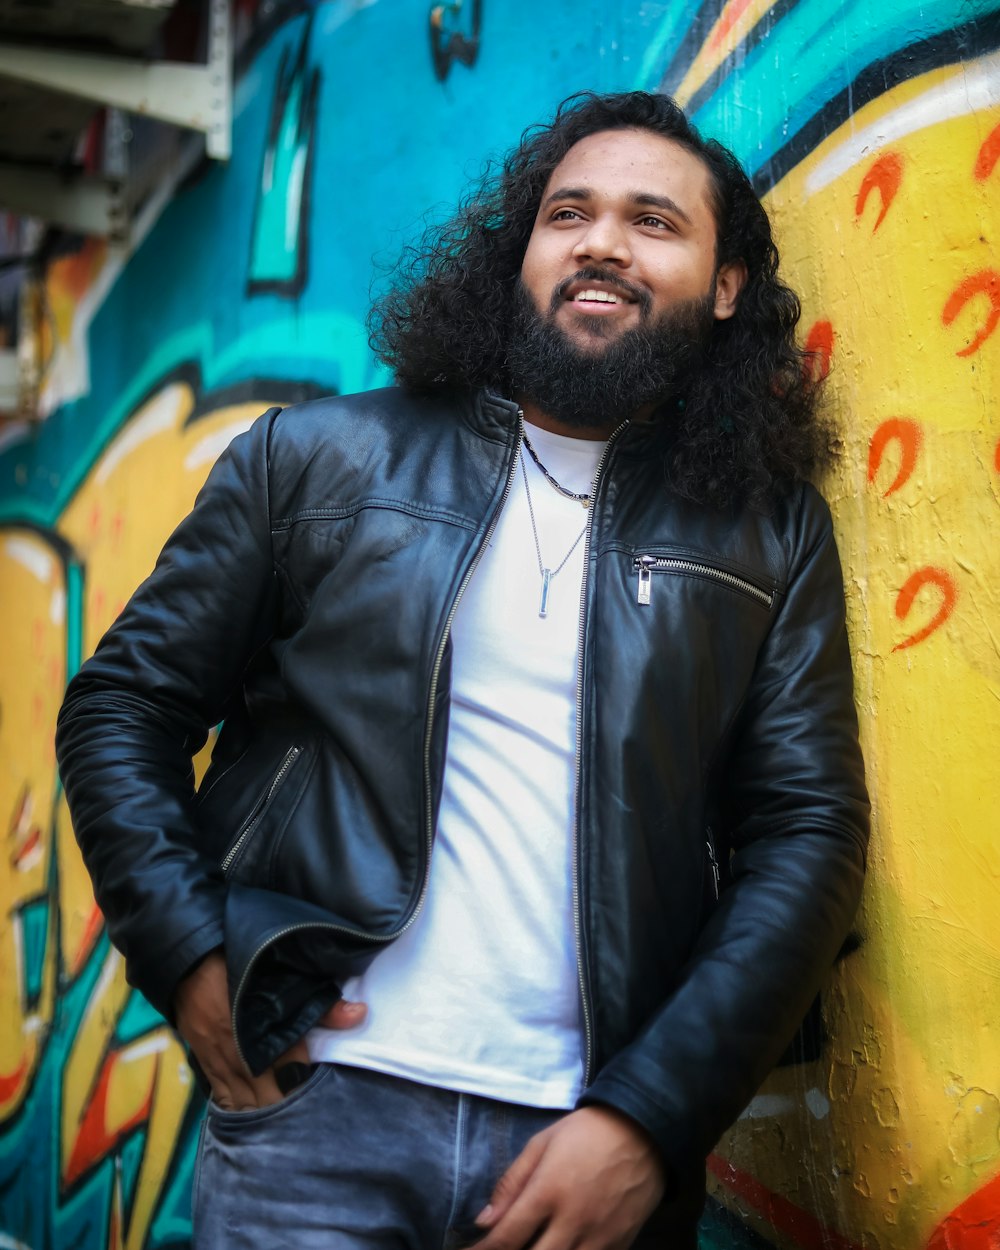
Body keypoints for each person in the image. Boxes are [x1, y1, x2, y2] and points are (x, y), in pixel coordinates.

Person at [56, 91, 869, 1250]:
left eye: (652, 221)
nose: (598, 241)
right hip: (314, 1116)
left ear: (725, 283)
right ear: (522, 252)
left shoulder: (767, 533)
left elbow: (807, 831)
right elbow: (123, 704)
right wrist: (185, 954)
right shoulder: (318, 457)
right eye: (568, 213)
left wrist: (649, 1119)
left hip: (585, 1153)